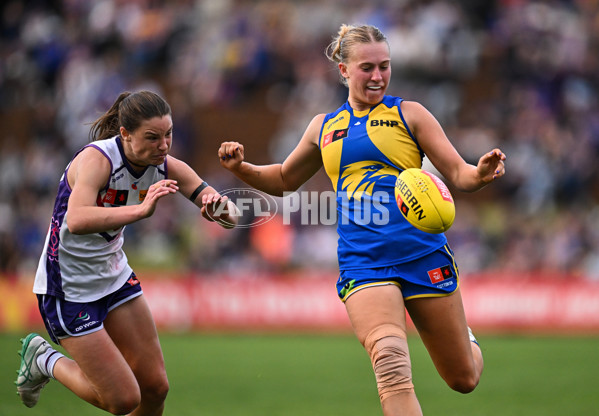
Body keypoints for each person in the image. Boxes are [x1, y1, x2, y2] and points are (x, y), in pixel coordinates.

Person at [218, 24, 506, 416]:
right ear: (344, 71)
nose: (378, 76)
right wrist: (243, 169)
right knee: (390, 361)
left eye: (384, 66)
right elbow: (285, 180)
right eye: (367, 67)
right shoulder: (324, 127)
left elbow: (458, 174)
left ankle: (464, 338)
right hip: (363, 260)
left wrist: (481, 173)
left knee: (463, 378)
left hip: (423, 254)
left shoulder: (411, 114)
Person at [15, 90, 237, 415]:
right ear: (125, 134)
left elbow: (231, 213)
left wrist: (221, 211)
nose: (163, 146)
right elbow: (76, 220)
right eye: (152, 137)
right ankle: (44, 359)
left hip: (115, 278)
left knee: (155, 387)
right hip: (68, 289)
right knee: (123, 400)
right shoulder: (97, 160)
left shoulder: (164, 165)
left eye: (168, 135)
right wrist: (141, 211)